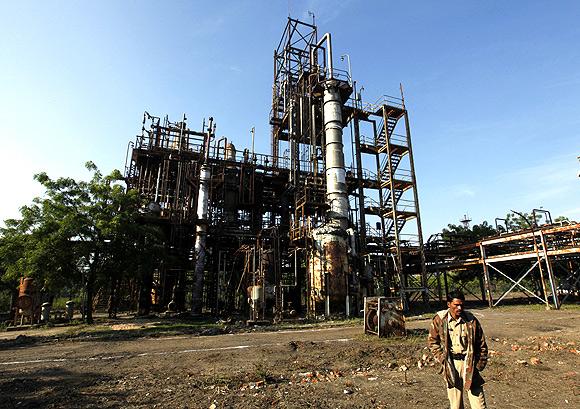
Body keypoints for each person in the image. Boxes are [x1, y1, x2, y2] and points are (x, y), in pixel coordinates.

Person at [428, 290, 488, 409]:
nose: (459, 308)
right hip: (451, 364)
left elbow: (481, 344)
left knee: (479, 405)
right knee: (456, 405)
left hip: (469, 363)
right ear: (449, 304)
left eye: (462, 305)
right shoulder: (439, 319)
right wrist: (443, 360)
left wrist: (478, 365)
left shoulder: (471, 320)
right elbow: (432, 342)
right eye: (456, 305)